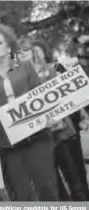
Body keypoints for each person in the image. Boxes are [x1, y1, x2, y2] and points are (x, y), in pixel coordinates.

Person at [0, 24, 58, 201]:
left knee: (47, 188)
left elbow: (41, 97)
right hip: (8, 145)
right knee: (21, 194)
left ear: (9, 47)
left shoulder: (26, 68)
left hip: (37, 137)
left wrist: (50, 117)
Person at [17, 38, 89, 201]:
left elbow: (70, 96)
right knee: (54, 182)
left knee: (73, 175)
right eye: (19, 52)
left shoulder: (51, 69)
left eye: (26, 50)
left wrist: (82, 114)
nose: (23, 54)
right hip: (40, 138)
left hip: (61, 132)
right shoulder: (17, 79)